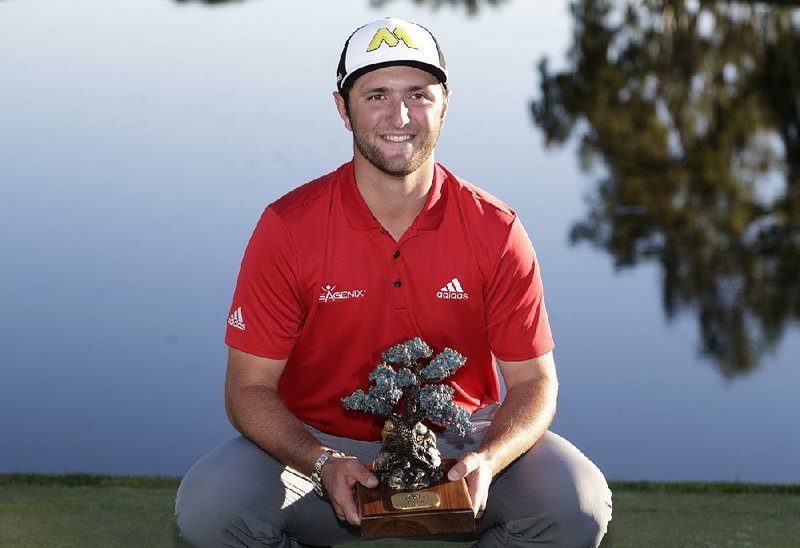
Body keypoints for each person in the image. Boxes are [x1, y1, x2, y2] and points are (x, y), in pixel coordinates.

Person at [176, 17, 612, 547]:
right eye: (377, 94)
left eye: (419, 94)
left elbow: (534, 384)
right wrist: (321, 461)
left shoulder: (495, 228)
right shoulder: (288, 226)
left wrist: (489, 459)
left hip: (460, 447)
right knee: (210, 507)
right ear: (343, 107)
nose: (399, 116)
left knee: (578, 504)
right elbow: (247, 389)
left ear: (445, 104)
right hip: (317, 447)